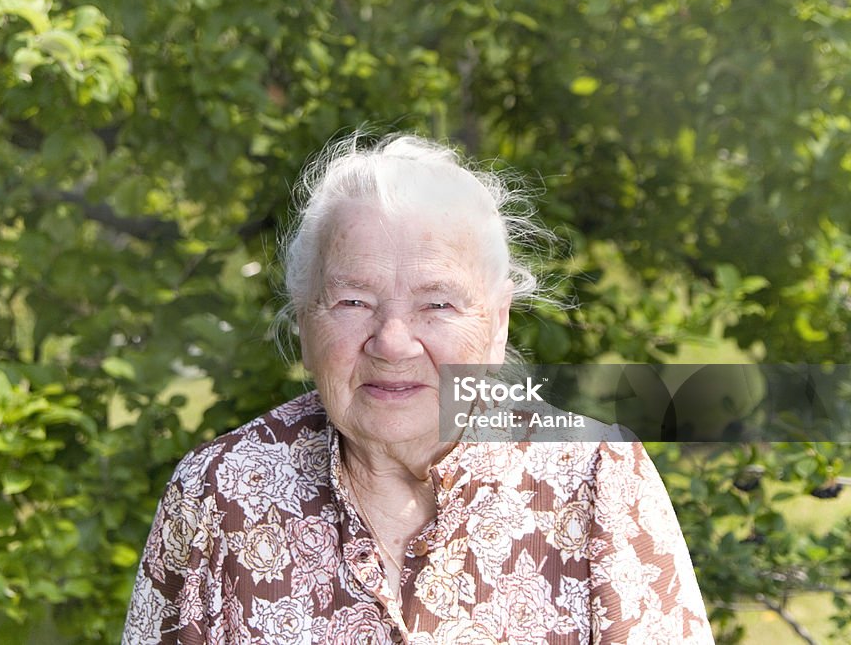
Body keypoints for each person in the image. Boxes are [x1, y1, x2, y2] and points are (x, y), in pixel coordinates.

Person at [122, 133, 715, 644]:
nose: (393, 341)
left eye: (437, 304)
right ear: (305, 320)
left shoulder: (595, 478)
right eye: (353, 301)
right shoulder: (219, 493)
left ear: (498, 322)